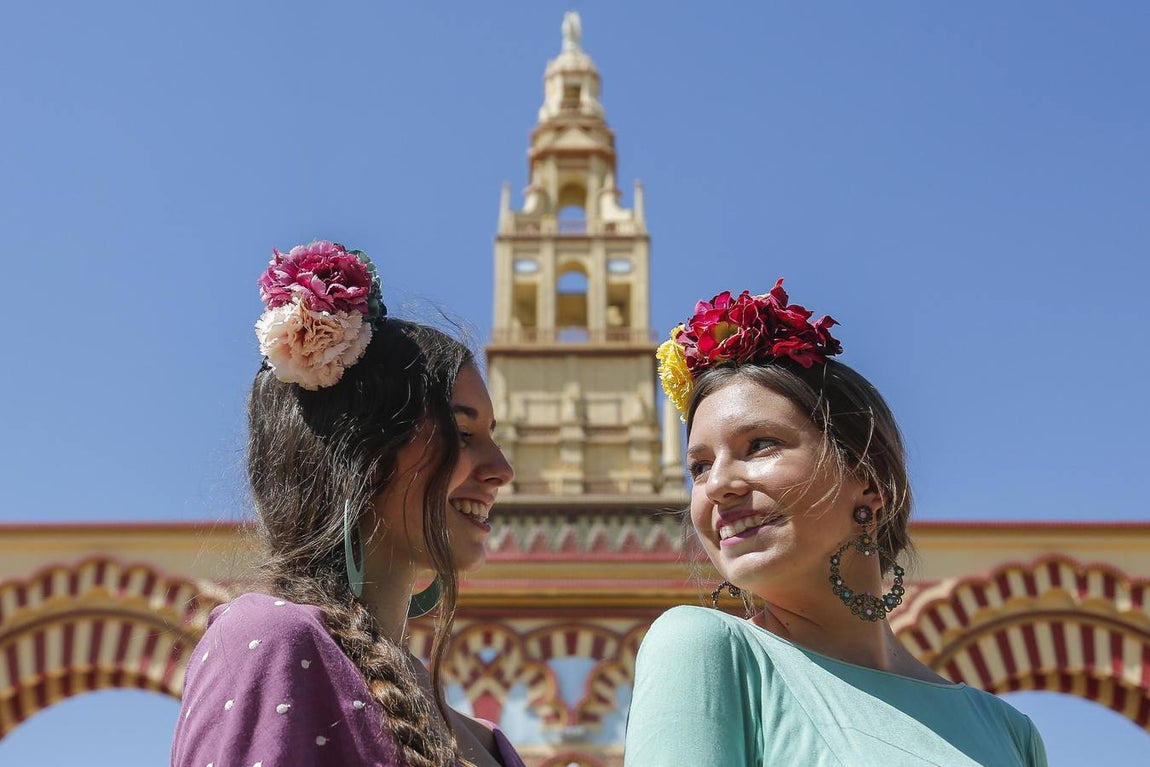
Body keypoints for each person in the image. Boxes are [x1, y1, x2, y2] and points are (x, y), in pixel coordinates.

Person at [624, 282, 1047, 766]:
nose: (718, 484)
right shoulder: (704, 650)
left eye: (760, 445)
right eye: (699, 467)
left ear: (867, 479)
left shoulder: (1008, 733)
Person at [171, 240, 523, 767]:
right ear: (363, 453)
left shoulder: (485, 739)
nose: (501, 470)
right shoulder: (271, 639)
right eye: (462, 432)